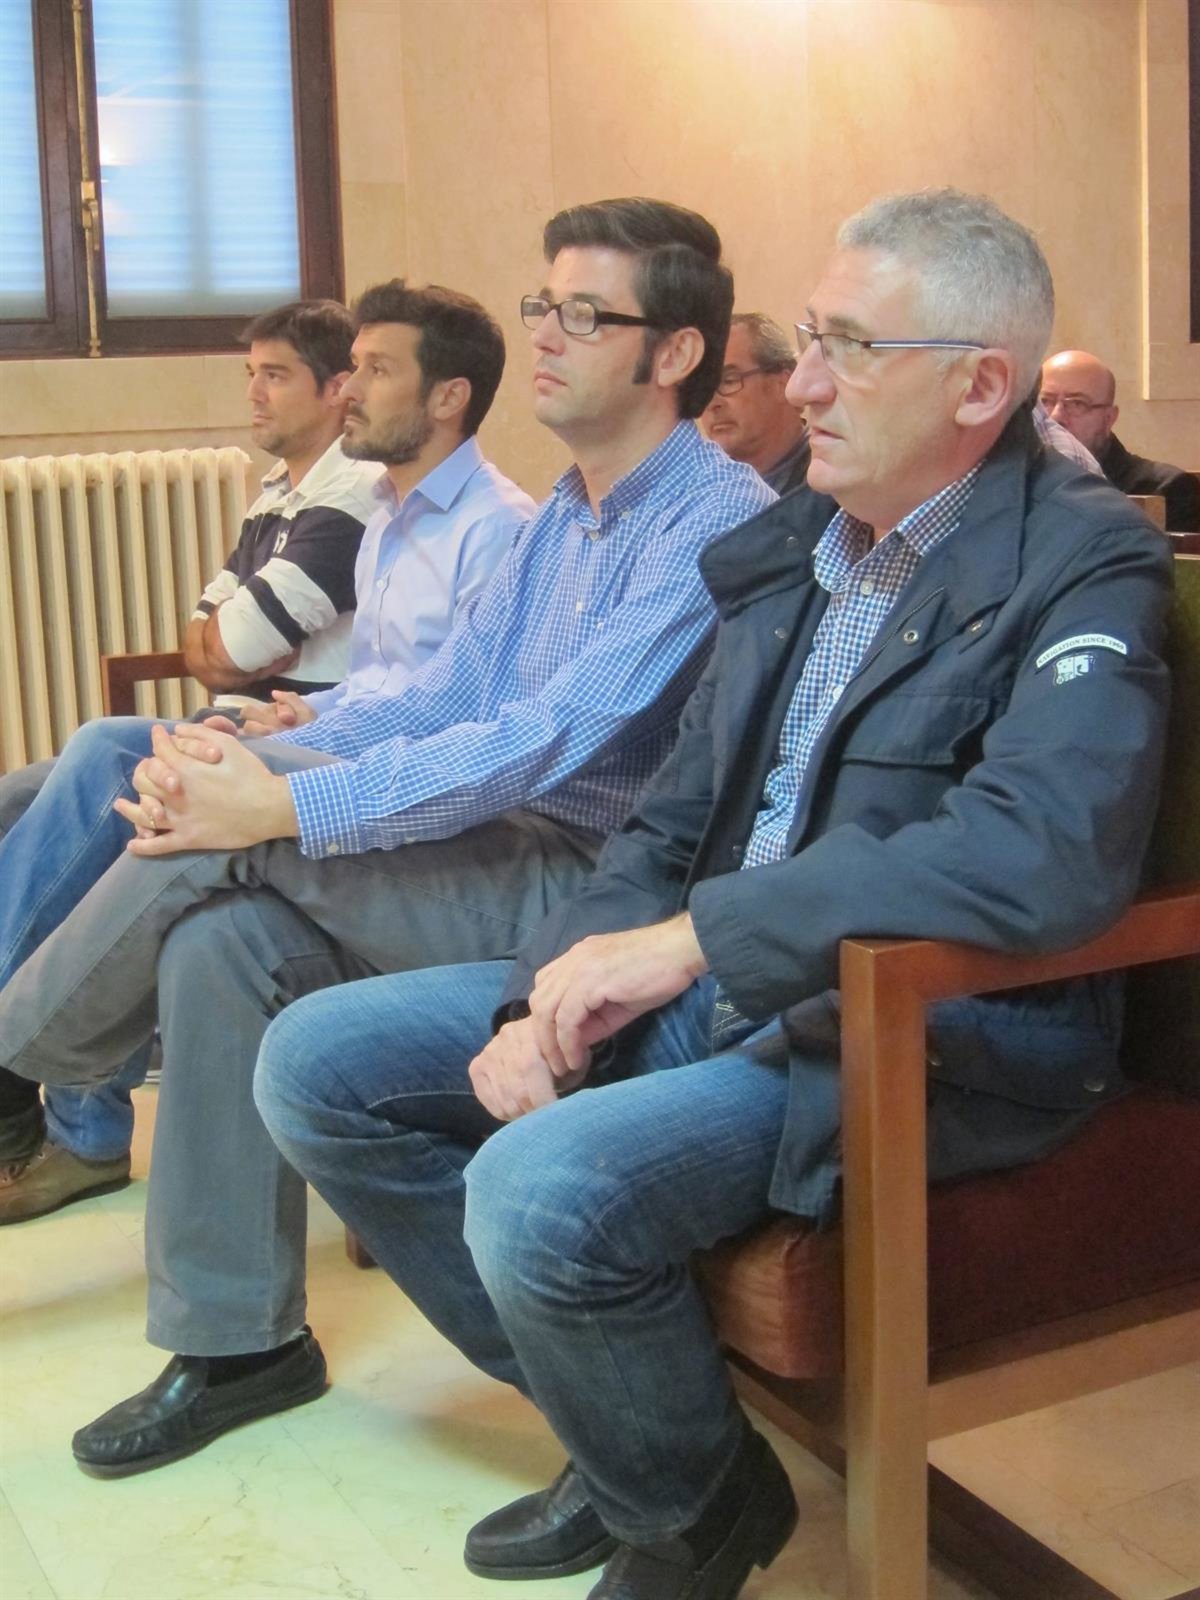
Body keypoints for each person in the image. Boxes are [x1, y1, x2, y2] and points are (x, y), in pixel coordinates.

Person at [252, 190, 1173, 1599]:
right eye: (808, 340)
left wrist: (692, 942)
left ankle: (677, 1514)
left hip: (904, 1028)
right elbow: (673, 813)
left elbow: (1047, 845)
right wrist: (538, 996)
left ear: (981, 386)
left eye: (848, 349)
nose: (798, 388)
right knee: (315, 1064)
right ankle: (662, 1454)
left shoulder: (1081, 555)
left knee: (534, 1191)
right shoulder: (802, 538)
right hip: (725, 976)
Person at [0, 197, 775, 1475]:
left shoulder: (710, 519)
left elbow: (546, 737)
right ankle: (238, 1342)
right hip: (494, 842)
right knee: (221, 937)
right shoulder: (568, 514)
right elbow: (440, 693)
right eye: (543, 304)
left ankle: (18, 1052)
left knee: (223, 829)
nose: (546, 333)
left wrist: (282, 802)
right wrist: (270, 750)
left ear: (675, 353)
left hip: (593, 888)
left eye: (586, 314)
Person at [0, 297, 382, 1223]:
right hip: (234, 722)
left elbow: (236, 641)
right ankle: (55, 1112)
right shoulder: (279, 493)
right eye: (250, 373)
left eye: (275, 375)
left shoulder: (353, 494)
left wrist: (228, 647)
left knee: (106, 764)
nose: (253, 393)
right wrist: (226, 647)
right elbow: (205, 642)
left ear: (338, 389)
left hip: (298, 744)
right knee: (19, 797)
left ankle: (59, 1112)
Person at [1040, 349, 1200, 530]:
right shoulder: (1021, 482)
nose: (1056, 416)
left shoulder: (1167, 489)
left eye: (1077, 403)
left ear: (1109, 418)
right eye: (1045, 401)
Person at [701, 312, 810, 492]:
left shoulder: (832, 483)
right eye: (702, 388)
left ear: (783, 384)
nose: (711, 404)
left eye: (729, 381)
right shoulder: (699, 490)